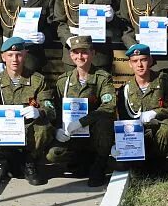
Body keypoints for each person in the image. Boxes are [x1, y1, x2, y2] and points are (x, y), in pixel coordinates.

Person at [0, 37, 56, 185]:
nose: (15, 59)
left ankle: (29, 161)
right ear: (3, 57)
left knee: (43, 128)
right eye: (10, 55)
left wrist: (39, 111)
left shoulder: (37, 80)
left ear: (25, 55)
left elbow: (51, 110)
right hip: (5, 131)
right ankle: (14, 159)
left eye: (19, 54)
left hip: (28, 130)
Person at [46, 36, 116, 187]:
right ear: (71, 55)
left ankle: (99, 164)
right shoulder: (63, 81)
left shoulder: (103, 78)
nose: (80, 57)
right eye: (76, 53)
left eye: (84, 52)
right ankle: (79, 161)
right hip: (72, 135)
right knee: (53, 154)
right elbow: (56, 109)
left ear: (92, 53)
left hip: (92, 133)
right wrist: (58, 129)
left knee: (105, 120)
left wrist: (81, 122)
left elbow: (109, 106)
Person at [117, 43, 168, 173]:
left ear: (150, 60)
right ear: (130, 64)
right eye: (135, 61)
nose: (139, 65)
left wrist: (156, 112)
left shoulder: (164, 81)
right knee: (129, 167)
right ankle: (141, 163)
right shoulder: (125, 89)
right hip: (138, 134)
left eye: (143, 60)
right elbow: (123, 120)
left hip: (158, 129)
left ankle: (158, 162)